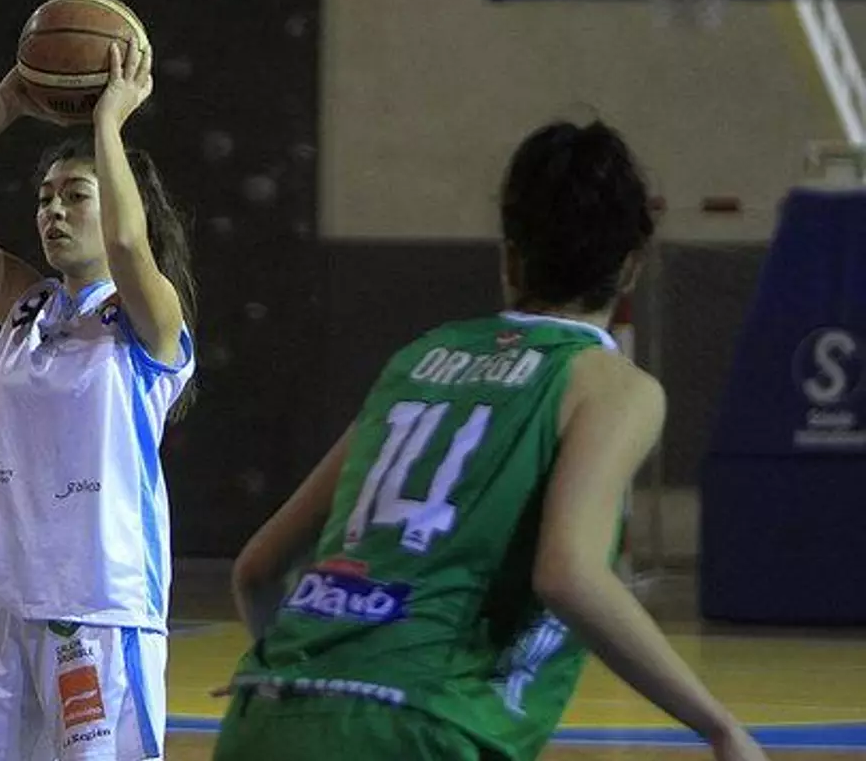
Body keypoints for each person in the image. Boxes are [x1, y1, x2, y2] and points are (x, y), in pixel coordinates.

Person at [212, 121, 770, 761]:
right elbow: (568, 575)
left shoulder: (417, 361)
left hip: (264, 713)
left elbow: (257, 569)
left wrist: (296, 676)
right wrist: (719, 726)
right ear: (630, 267)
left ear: (509, 257)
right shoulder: (611, 386)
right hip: (421, 723)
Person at [0, 41, 197, 761]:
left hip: (98, 615)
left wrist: (109, 123)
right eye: (44, 198)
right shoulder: (24, 307)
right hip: (2, 612)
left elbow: (129, 243)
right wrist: (6, 101)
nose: (53, 210)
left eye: (75, 196)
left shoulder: (149, 322)